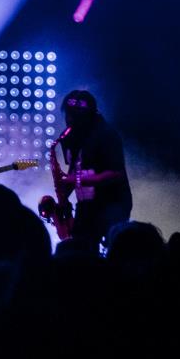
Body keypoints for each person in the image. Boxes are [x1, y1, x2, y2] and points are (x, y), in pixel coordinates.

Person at [52, 88, 132, 250]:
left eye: (73, 116)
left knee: (113, 250)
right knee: (81, 250)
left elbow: (115, 173)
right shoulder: (70, 135)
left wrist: (77, 180)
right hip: (86, 204)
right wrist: (62, 197)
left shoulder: (107, 135)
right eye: (67, 114)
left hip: (112, 203)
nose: (68, 120)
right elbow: (75, 168)